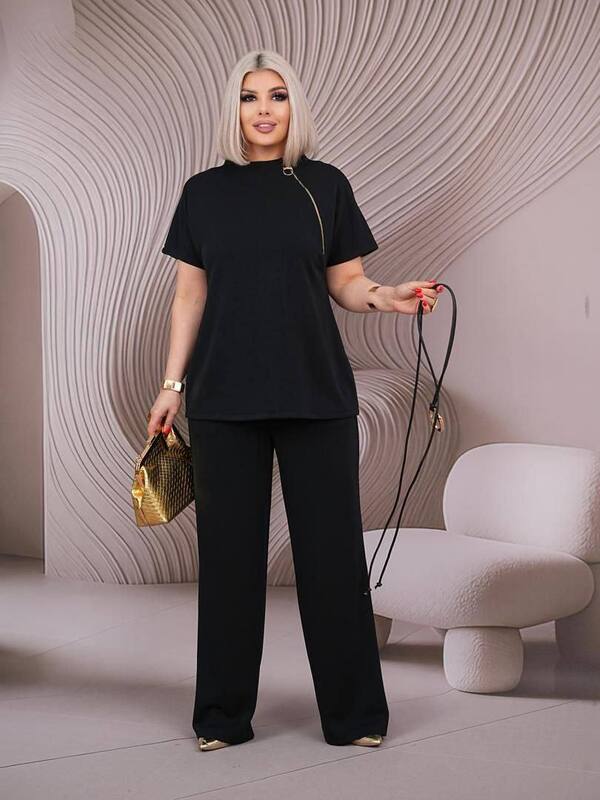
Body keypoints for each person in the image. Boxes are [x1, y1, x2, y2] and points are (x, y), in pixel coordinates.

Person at [148, 49, 442, 752]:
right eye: (249, 97)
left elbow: (347, 282)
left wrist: (389, 297)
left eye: (277, 95)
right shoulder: (202, 193)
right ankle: (222, 718)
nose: (263, 110)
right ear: (234, 109)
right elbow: (189, 296)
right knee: (229, 565)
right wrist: (171, 384)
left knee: (331, 561)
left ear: (293, 106)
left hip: (316, 394)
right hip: (223, 399)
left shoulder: (325, 185)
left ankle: (356, 717)